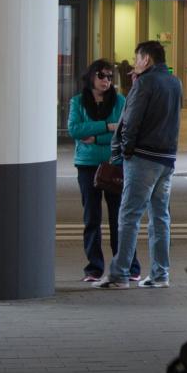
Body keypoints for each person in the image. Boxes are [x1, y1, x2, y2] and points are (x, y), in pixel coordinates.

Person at [100, 40, 181, 290]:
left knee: (129, 215)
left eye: (137, 59)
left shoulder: (145, 83)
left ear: (146, 59)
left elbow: (131, 119)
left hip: (143, 157)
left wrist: (125, 150)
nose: (135, 63)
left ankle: (120, 274)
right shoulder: (174, 82)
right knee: (160, 217)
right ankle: (160, 274)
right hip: (167, 158)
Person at [68, 59, 140, 284]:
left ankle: (128, 266)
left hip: (114, 164)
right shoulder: (78, 102)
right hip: (87, 165)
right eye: (102, 76)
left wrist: (97, 136)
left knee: (120, 218)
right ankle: (94, 268)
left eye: (110, 77)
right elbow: (74, 129)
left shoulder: (119, 101)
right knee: (91, 217)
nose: (106, 81)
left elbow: (124, 130)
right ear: (91, 77)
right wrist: (106, 126)